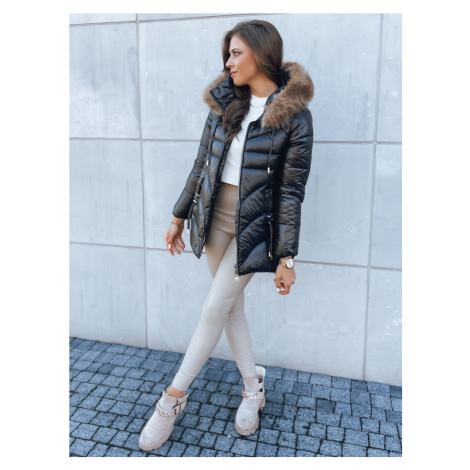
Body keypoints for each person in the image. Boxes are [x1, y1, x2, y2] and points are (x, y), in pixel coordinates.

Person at [139, 19, 314, 452]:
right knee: (230, 308)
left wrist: (286, 257)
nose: (228, 62)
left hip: (254, 227)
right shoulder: (224, 103)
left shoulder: (295, 116)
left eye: (236, 53)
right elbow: (201, 163)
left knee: (213, 308)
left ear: (261, 53)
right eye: (228, 54)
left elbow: (290, 192)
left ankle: (171, 399)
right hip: (213, 217)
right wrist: (178, 216)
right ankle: (253, 389)